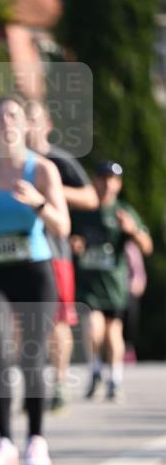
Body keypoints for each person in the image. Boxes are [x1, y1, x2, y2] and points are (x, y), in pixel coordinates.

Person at [0, 94, 70, 465]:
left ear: (27, 124)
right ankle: (4, 442)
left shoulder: (42, 170)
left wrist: (39, 203)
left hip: (35, 269)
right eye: (0, 116)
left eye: (14, 115)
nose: (7, 122)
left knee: (32, 355)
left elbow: (63, 226)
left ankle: (37, 441)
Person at [25, 99, 98, 412]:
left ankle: (58, 382)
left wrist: (50, 189)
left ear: (47, 126)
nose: (26, 126)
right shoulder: (9, 163)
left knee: (57, 319)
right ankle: (33, 385)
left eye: (32, 120)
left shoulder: (58, 161)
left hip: (54, 252)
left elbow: (91, 197)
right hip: (19, 253)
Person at [71, 160, 153, 401]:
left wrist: (132, 230)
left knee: (113, 334)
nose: (107, 184)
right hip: (89, 285)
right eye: (103, 179)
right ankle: (96, 370)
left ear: (118, 184)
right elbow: (69, 237)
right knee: (94, 329)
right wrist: (75, 243)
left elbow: (147, 246)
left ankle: (115, 379)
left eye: (112, 180)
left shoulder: (123, 210)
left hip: (115, 286)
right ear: (95, 181)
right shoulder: (83, 212)